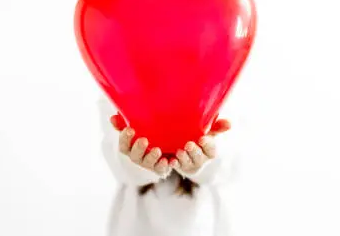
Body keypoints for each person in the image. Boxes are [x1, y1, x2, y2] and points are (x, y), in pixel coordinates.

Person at [98, 96, 241, 236]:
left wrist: (203, 160)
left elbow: (229, 165)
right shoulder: (123, 80)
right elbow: (116, 160)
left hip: (203, 221)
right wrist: (138, 162)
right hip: (138, 221)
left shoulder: (220, 85)